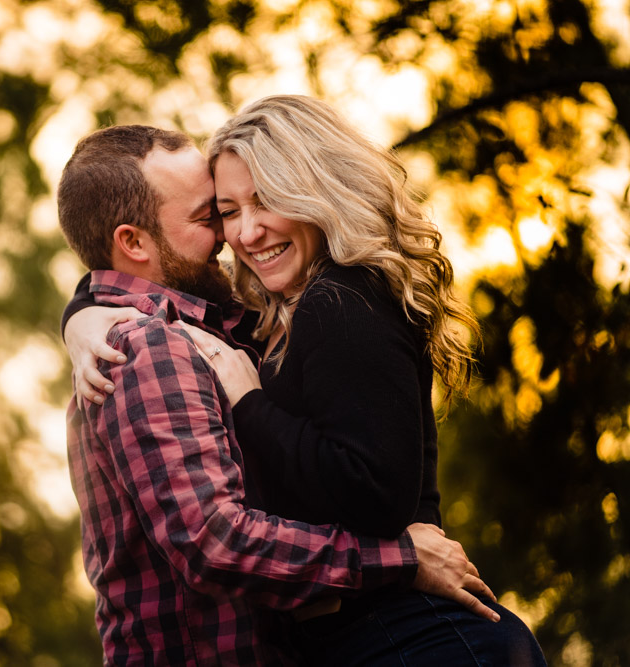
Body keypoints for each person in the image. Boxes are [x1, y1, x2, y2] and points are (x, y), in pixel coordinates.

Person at [57, 122, 500, 666]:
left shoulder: (236, 326)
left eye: (251, 204)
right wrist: (401, 558)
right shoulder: (149, 348)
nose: (233, 235)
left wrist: (82, 310)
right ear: (133, 242)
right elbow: (216, 542)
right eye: (212, 216)